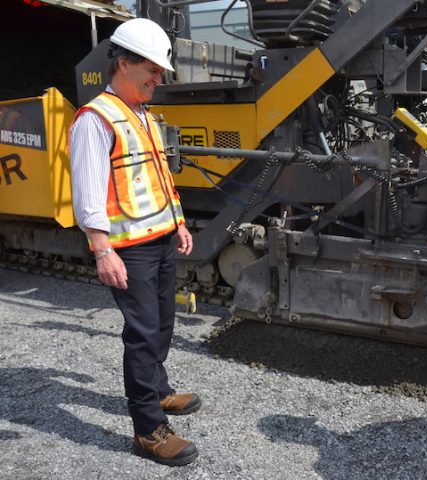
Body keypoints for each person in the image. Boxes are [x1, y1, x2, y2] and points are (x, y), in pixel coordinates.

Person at [69, 18, 201, 467]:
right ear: (123, 63)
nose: (158, 80)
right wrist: (102, 249)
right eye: (153, 71)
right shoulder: (95, 120)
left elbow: (160, 178)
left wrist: (179, 223)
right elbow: (87, 194)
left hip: (161, 239)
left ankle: (159, 391)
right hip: (129, 249)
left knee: (163, 322)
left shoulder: (141, 115)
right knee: (143, 335)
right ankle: (147, 431)